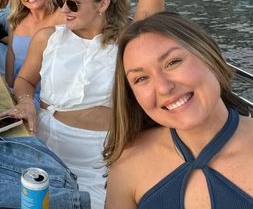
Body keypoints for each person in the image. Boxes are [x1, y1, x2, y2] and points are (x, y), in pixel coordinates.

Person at [1, 0, 194, 208]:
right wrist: (25, 102)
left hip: (101, 159)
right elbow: (25, 80)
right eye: (63, 2)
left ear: (103, 4)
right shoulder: (49, 37)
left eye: (73, 5)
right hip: (44, 145)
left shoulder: (128, 43)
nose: (63, 10)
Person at [104, 12, 253, 208]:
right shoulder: (127, 165)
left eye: (172, 62)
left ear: (210, 56)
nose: (164, 88)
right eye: (141, 78)